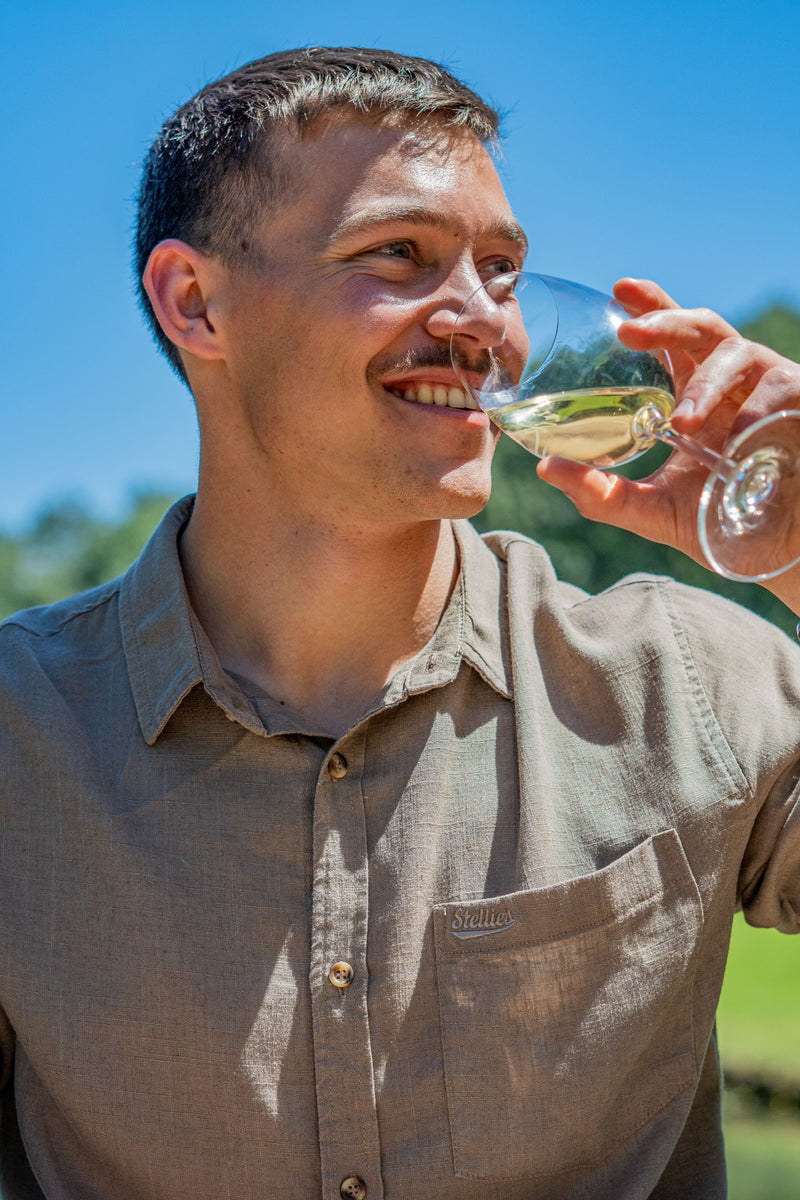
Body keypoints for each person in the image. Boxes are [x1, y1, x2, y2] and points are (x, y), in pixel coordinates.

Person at [1, 46, 799, 1200]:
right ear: (195, 302)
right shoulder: (22, 740)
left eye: (502, 269)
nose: (483, 323)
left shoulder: (684, 681)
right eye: (400, 255)